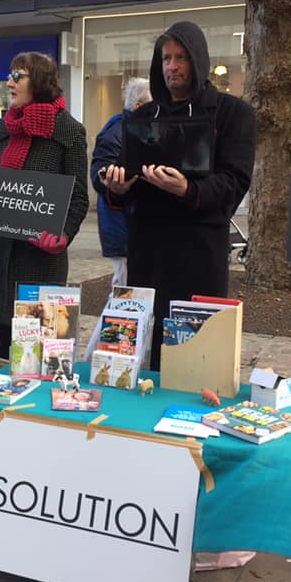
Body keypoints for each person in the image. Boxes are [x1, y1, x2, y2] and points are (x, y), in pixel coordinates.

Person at [105, 21, 256, 369]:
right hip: (147, 254)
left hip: (198, 255)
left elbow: (235, 181)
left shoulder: (233, 114)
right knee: (138, 356)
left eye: (181, 58)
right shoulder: (144, 116)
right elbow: (128, 177)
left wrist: (189, 189)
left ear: (198, 60)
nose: (172, 66)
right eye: (166, 58)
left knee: (194, 361)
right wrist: (117, 186)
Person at [0, 52, 89, 359]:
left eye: (16, 76)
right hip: (3, 257)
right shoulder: (4, 127)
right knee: (6, 353)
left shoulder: (69, 131)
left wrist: (63, 234)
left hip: (41, 262)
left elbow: (78, 198)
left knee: (43, 356)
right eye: (9, 76)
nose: (9, 83)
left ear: (39, 81)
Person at [90, 77, 152, 286]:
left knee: (134, 287)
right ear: (139, 106)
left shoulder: (138, 129)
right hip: (121, 224)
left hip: (133, 223)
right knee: (124, 287)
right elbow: (98, 176)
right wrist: (110, 180)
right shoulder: (116, 132)